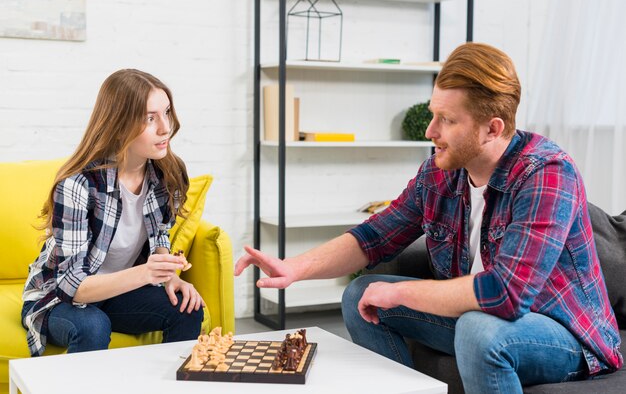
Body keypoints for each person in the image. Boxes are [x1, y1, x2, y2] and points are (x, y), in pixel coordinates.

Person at [235, 43, 623, 392]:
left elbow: (506, 295)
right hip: (482, 320)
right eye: (434, 114)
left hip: (564, 335)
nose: (430, 130)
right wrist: (294, 267)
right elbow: (374, 237)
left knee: (477, 331)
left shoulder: (547, 173)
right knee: (359, 295)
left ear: (493, 128)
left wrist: (401, 292)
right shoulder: (440, 172)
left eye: (447, 120)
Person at [22, 69, 204, 357]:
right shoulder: (78, 185)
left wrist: (171, 277)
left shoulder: (166, 172)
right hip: (58, 298)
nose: (165, 128)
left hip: (118, 292)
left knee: (186, 309)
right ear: (119, 125)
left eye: (166, 112)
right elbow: (72, 286)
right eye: (149, 118)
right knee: (93, 325)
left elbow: (159, 234)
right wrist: (147, 273)